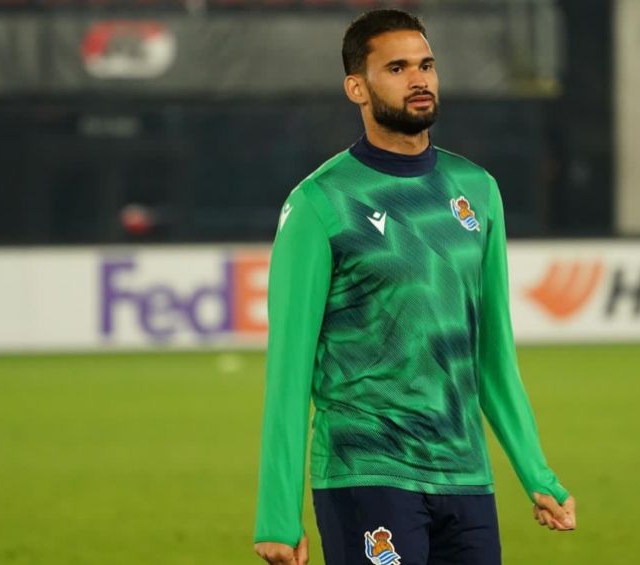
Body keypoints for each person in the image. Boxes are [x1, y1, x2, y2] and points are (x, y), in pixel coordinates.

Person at [254, 9, 575, 565]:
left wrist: (535, 470)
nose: (419, 78)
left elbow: (493, 355)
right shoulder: (320, 204)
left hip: (465, 477)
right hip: (367, 470)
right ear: (357, 86)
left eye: (426, 64)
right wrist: (277, 511)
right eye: (397, 67)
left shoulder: (478, 190)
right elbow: (288, 368)